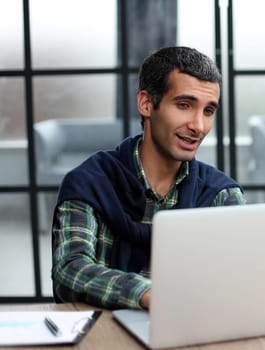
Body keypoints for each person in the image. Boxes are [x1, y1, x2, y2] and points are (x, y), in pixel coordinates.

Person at [51, 46, 246, 309]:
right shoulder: (90, 183)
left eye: (208, 111)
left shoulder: (222, 195)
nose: (199, 126)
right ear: (146, 104)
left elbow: (239, 280)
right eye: (184, 105)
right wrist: (146, 295)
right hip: (105, 336)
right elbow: (70, 271)